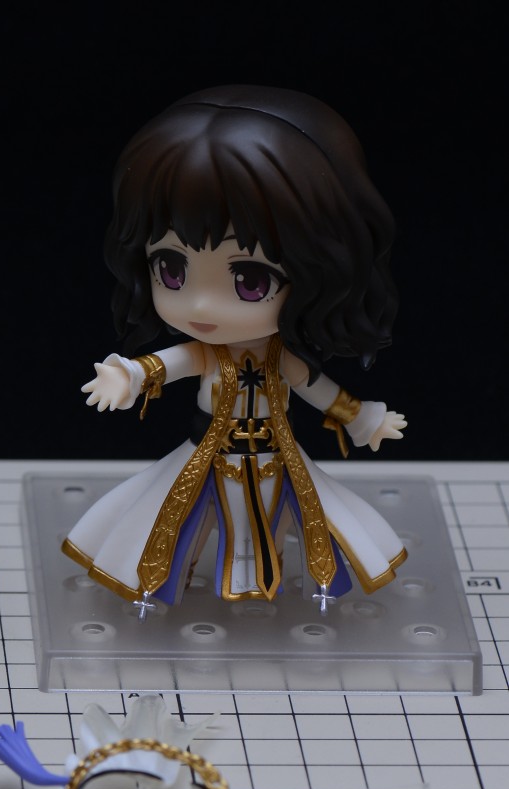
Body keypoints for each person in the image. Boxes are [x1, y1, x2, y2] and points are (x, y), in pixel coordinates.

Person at [62, 86, 407, 614]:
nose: (202, 305)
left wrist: (361, 417)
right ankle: (171, 580)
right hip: (208, 457)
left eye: (249, 279)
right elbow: (168, 364)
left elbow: (314, 386)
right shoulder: (210, 355)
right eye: (170, 269)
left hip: (277, 457)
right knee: (183, 521)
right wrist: (128, 375)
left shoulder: (278, 357)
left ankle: (283, 581)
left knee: (290, 520)